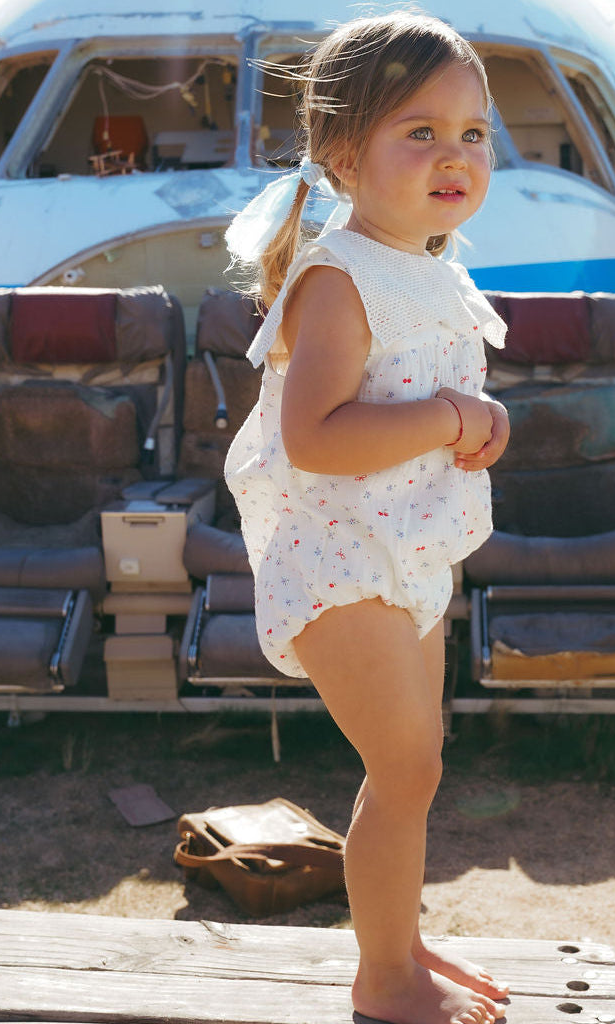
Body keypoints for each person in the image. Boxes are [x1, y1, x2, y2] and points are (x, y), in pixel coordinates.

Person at [224, 11, 511, 1024]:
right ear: (344, 155)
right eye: (420, 131)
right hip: (336, 555)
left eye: (472, 132)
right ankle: (383, 979)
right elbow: (317, 436)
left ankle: (395, 942)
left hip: (402, 550)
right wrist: (447, 415)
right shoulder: (341, 276)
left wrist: (473, 424)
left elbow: (426, 403)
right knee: (405, 764)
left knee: (413, 765)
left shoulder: (431, 267)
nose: (454, 154)